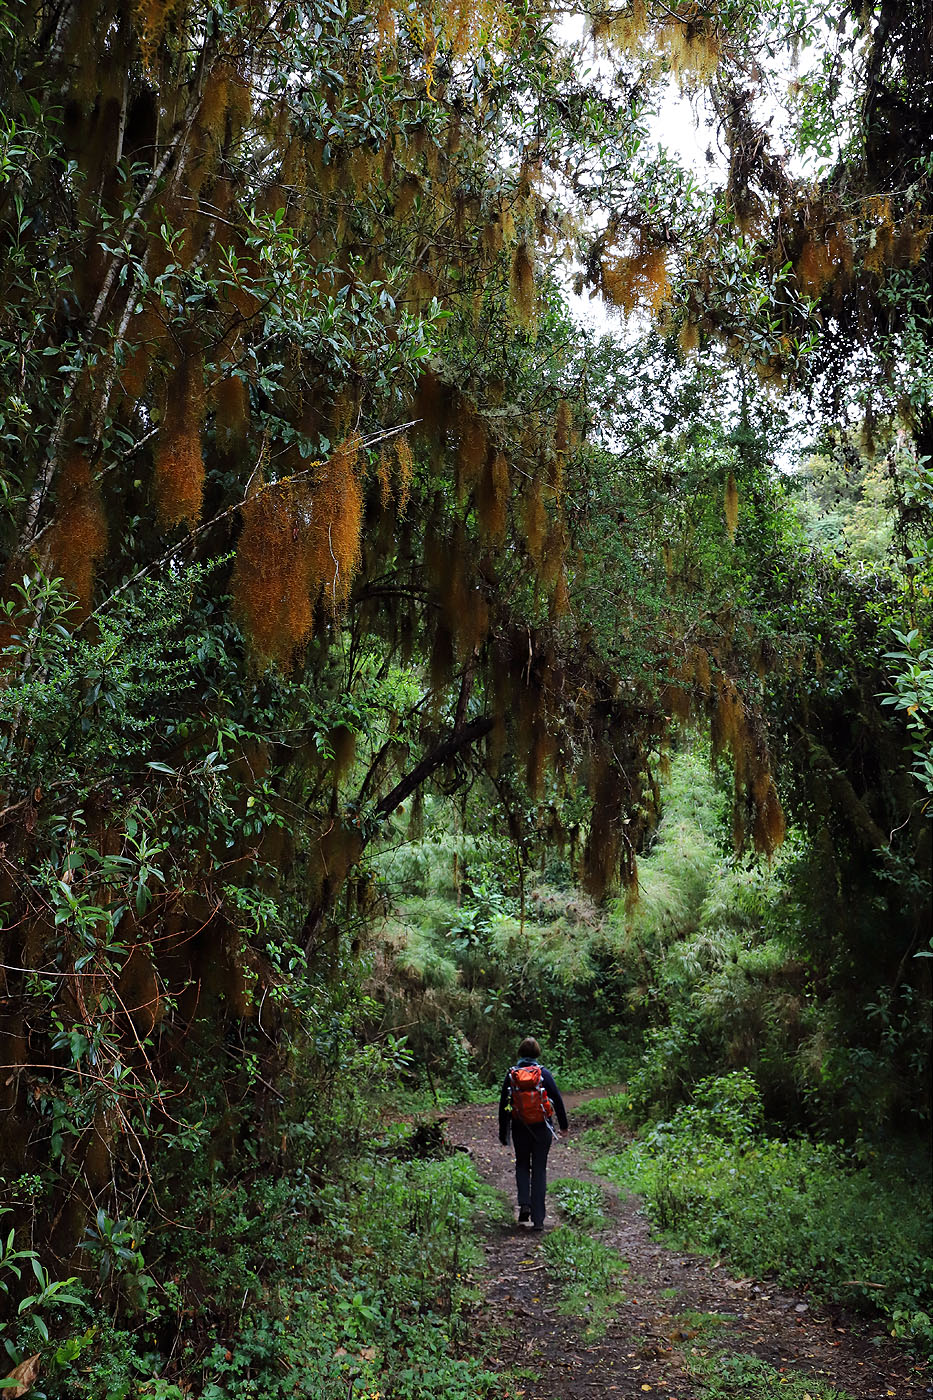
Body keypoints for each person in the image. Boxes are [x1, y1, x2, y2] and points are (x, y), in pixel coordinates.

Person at [498, 1036, 568, 1230]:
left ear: (520, 1052)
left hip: (520, 1127)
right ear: (537, 1053)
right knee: (539, 1169)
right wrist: (563, 1125)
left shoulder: (512, 1075)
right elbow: (558, 1100)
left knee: (521, 1165)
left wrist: (503, 1132)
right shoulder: (543, 1073)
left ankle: (524, 1205)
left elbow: (504, 1105)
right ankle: (538, 1220)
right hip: (542, 1128)